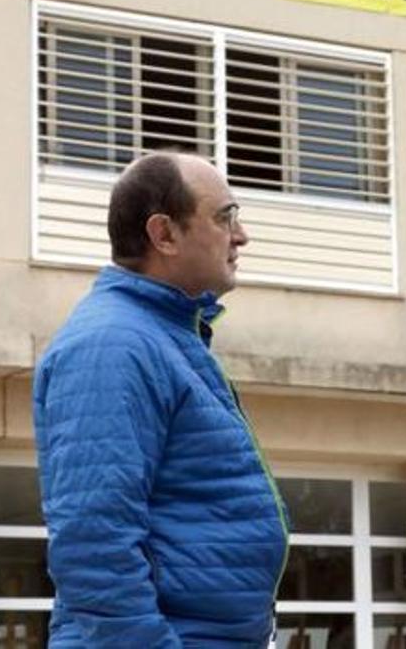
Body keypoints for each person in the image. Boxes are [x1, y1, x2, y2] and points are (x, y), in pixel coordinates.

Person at [34, 151, 289, 647]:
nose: (241, 235)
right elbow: (94, 545)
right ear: (164, 234)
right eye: (224, 217)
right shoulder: (112, 346)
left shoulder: (163, 336)